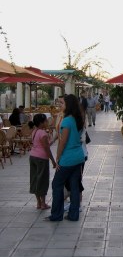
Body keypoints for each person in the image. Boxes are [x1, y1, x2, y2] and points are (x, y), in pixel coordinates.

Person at [45, 94, 85, 222]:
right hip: (78, 156)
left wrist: (57, 158)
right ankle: (73, 215)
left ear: (69, 105)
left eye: (62, 103)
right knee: (74, 186)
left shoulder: (67, 121)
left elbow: (63, 142)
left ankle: (56, 215)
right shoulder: (78, 119)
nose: (60, 105)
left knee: (57, 184)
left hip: (68, 158)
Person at [29, 114, 56, 210]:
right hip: (41, 158)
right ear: (42, 122)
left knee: (35, 179)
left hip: (33, 156)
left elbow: (44, 144)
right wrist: (53, 161)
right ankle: (43, 203)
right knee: (43, 180)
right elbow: (46, 148)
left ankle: (38, 202)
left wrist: (54, 138)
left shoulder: (35, 131)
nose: (47, 122)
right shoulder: (43, 133)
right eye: (46, 121)